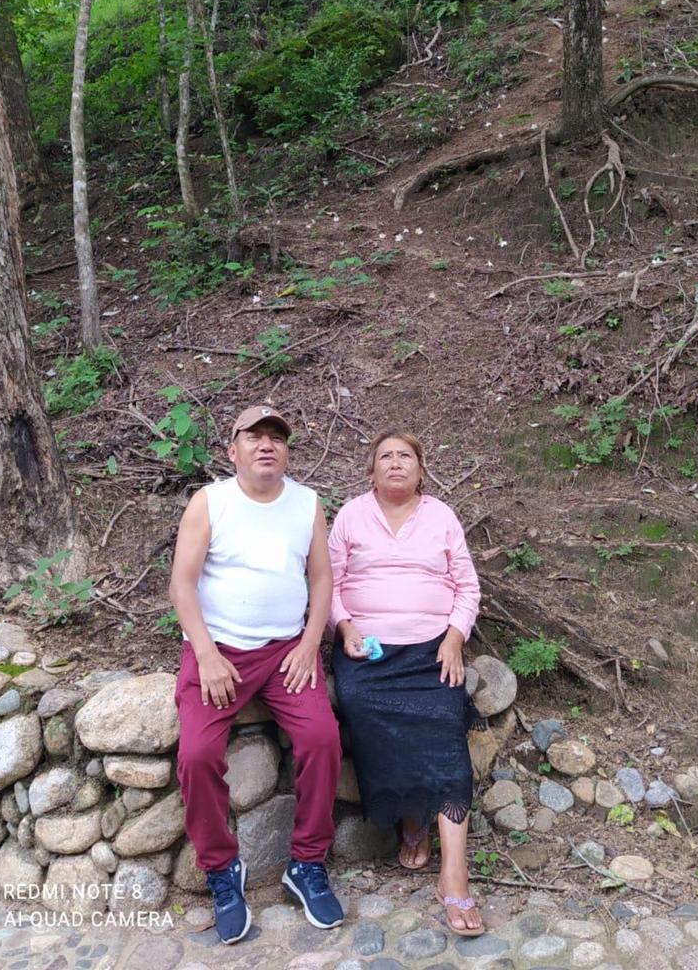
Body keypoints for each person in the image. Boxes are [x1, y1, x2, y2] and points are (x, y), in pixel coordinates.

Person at [170, 404, 343, 945]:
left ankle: (307, 863)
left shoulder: (307, 504)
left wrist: (310, 643)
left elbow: (322, 579)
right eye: (254, 436)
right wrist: (206, 654)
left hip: (288, 650)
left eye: (276, 438)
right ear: (233, 450)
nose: (267, 444)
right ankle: (223, 870)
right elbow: (182, 584)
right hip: (218, 651)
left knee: (323, 739)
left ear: (286, 452)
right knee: (197, 755)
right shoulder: (210, 502)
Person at [328, 430, 484, 937]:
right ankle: (412, 818)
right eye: (385, 456)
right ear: (371, 470)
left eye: (405, 456)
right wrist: (344, 627)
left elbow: (467, 586)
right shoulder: (351, 516)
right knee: (360, 705)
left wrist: (455, 638)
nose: (395, 463)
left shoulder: (441, 516)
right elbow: (328, 583)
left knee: (445, 723)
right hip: (368, 651)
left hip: (431, 648)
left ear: (421, 469)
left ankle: (454, 873)